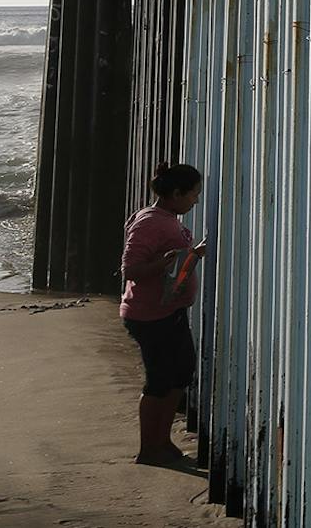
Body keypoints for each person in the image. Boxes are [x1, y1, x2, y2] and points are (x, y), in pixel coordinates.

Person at [119, 161, 207, 466]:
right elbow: (131, 269)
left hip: (169, 310)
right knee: (159, 381)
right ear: (176, 193)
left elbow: (175, 262)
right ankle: (148, 449)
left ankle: (162, 440)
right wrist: (165, 262)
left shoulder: (165, 218)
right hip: (150, 316)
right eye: (193, 194)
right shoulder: (150, 222)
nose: (196, 200)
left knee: (180, 374)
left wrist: (193, 254)